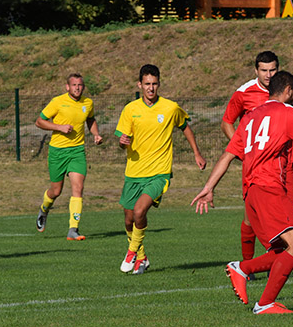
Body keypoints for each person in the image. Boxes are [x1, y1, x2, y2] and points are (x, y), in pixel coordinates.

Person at [193, 71, 293, 314]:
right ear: (289, 90)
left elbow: (227, 156)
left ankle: (244, 270)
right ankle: (262, 299)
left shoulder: (250, 117)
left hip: (251, 193)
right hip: (268, 189)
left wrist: (209, 188)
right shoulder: (287, 112)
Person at [222, 51, 293, 276]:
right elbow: (227, 122)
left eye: (272, 70)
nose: (268, 74)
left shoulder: (287, 90)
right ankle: (247, 265)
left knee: (287, 216)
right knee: (251, 219)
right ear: (256, 71)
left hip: (285, 165)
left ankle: (275, 262)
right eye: (264, 70)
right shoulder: (244, 93)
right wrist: (246, 151)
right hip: (258, 167)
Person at [115, 64, 206, 275]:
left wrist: (196, 153)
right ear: (139, 85)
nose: (151, 88)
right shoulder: (130, 109)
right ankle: (141, 257)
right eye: (147, 84)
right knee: (129, 219)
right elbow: (122, 140)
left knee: (139, 211)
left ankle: (131, 253)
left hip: (159, 173)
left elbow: (185, 127)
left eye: (154, 84)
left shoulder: (170, 108)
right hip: (134, 172)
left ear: (159, 84)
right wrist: (122, 142)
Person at [34, 73, 103, 240]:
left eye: (80, 85)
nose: (77, 88)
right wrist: (59, 127)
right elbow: (39, 121)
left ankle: (73, 229)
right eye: (74, 85)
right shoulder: (57, 102)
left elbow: (90, 119)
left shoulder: (88, 103)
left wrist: (96, 134)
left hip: (77, 152)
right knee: (56, 191)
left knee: (78, 188)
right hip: (57, 152)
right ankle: (44, 209)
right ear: (67, 87)